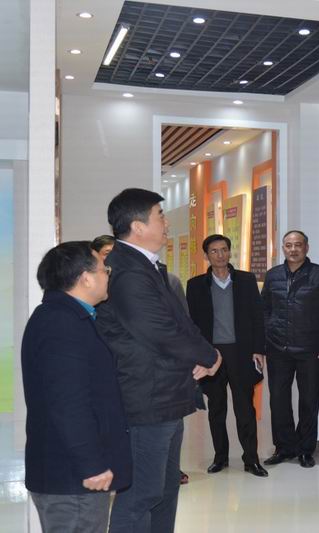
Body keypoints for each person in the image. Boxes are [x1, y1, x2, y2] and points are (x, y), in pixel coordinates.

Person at [95, 188, 221, 533]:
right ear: (138, 226)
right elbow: (159, 330)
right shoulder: (127, 271)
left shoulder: (146, 266)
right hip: (147, 399)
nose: (166, 223)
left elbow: (181, 321)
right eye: (160, 216)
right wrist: (209, 355)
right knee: (141, 495)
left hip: (167, 395)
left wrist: (209, 354)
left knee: (164, 490)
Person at [21, 241, 132, 533]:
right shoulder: (61, 324)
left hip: (70, 475)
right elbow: (68, 402)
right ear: (85, 278)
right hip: (72, 479)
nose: (108, 275)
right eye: (104, 270)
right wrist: (91, 464)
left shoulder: (68, 317)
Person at [92, 234, 193, 484]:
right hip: (125, 380)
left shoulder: (166, 281)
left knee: (163, 461)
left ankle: (167, 470)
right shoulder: (97, 296)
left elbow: (181, 327)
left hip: (163, 384)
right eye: (106, 256)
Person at [186, 234, 269, 477]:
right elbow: (192, 324)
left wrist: (258, 349)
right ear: (206, 256)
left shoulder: (246, 280)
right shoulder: (196, 285)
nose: (220, 255)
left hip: (241, 352)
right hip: (211, 355)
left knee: (245, 408)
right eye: (214, 251)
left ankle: (251, 459)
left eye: (224, 250)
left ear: (230, 252)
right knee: (217, 408)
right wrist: (198, 355)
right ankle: (220, 457)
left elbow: (257, 316)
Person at [261, 230, 319, 468]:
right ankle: (284, 447)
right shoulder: (273, 275)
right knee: (278, 400)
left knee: (309, 400)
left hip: (310, 348)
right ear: (282, 248)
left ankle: (305, 449)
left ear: (306, 247)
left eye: (298, 245)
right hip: (278, 348)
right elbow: (264, 310)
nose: (293, 249)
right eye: (288, 245)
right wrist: (265, 338)